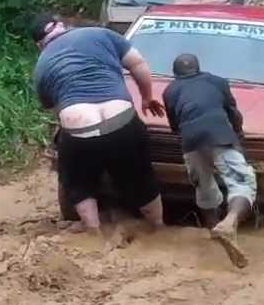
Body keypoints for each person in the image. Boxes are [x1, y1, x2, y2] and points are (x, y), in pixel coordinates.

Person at [31, 14, 165, 242]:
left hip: (79, 130)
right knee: (140, 177)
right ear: (65, 25)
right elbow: (138, 64)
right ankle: (158, 229)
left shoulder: (42, 64)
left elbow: (54, 108)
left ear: (39, 44)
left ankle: (93, 230)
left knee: (77, 179)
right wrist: (146, 98)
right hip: (121, 118)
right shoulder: (101, 34)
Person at [162, 53, 256, 269]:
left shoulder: (170, 90)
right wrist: (238, 136)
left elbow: (175, 126)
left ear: (175, 74)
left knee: (203, 186)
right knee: (242, 182)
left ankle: (214, 232)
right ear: (199, 68)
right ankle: (230, 223)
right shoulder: (217, 82)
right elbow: (234, 113)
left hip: (190, 141)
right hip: (220, 135)